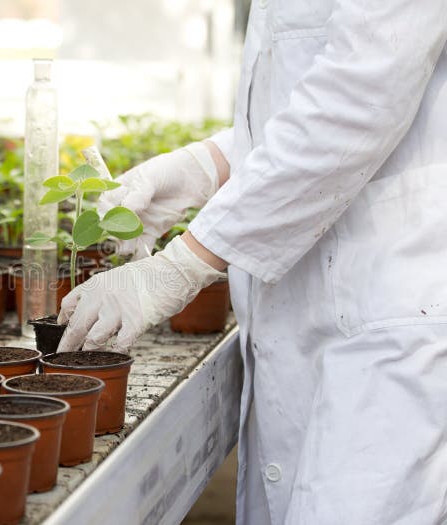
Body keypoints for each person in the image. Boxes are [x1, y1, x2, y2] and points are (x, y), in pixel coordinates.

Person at [56, 0, 447, 522]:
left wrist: (183, 264)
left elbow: (361, 95)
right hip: (311, 309)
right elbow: (299, 99)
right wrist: (203, 168)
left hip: (387, 314)